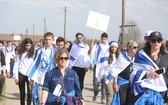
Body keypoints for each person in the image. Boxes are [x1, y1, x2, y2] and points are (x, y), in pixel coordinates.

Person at [129, 31, 168, 104]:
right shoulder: (141, 55)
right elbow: (132, 73)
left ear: (162, 42)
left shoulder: (166, 55)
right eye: (153, 40)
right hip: (144, 91)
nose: (156, 42)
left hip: (161, 91)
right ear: (149, 42)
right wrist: (147, 74)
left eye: (159, 40)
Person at [27, 32, 57, 105]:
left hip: (52, 80)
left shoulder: (56, 51)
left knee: (52, 100)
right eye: (46, 39)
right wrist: (31, 79)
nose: (47, 41)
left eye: (49, 39)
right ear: (44, 40)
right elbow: (35, 65)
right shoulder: (39, 51)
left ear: (53, 40)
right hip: (41, 79)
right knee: (41, 100)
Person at [106, 40, 138, 105]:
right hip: (122, 82)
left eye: (137, 47)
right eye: (134, 47)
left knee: (130, 102)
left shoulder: (137, 58)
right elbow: (115, 70)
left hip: (132, 83)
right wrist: (115, 83)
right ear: (129, 48)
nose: (136, 49)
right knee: (121, 102)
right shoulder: (122, 57)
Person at [88, 32, 110, 104]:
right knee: (95, 83)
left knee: (104, 83)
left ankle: (103, 98)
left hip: (105, 67)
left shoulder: (109, 46)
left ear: (107, 39)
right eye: (102, 39)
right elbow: (90, 54)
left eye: (104, 39)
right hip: (97, 66)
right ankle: (95, 93)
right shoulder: (97, 46)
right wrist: (91, 48)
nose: (103, 40)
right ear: (100, 38)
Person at [13, 38, 34, 105]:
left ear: (31, 45)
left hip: (30, 76)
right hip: (21, 74)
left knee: (30, 94)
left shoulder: (34, 54)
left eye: (29, 45)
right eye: (26, 45)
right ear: (24, 45)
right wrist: (16, 77)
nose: (28, 47)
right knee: (22, 93)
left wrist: (33, 78)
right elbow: (16, 66)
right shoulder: (20, 54)